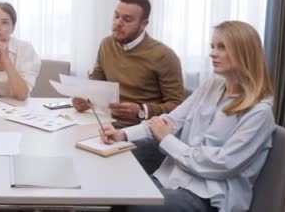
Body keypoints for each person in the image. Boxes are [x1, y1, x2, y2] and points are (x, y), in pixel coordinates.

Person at [101, 21, 275, 212]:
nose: (212, 53)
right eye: (213, 46)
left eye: (222, 47)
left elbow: (221, 164)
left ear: (244, 53)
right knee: (118, 194)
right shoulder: (212, 85)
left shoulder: (259, 112)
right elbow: (170, 121)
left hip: (209, 196)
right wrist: (123, 135)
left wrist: (167, 139)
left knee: (137, 207)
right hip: (173, 178)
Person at [71, 0, 184, 173]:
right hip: (106, 124)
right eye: (116, 16)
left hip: (143, 133)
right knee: (70, 149)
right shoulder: (107, 44)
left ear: (144, 24)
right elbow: (96, 82)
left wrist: (141, 111)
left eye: (127, 19)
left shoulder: (164, 56)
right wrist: (84, 99)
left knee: (104, 167)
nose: (118, 23)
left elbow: (178, 107)